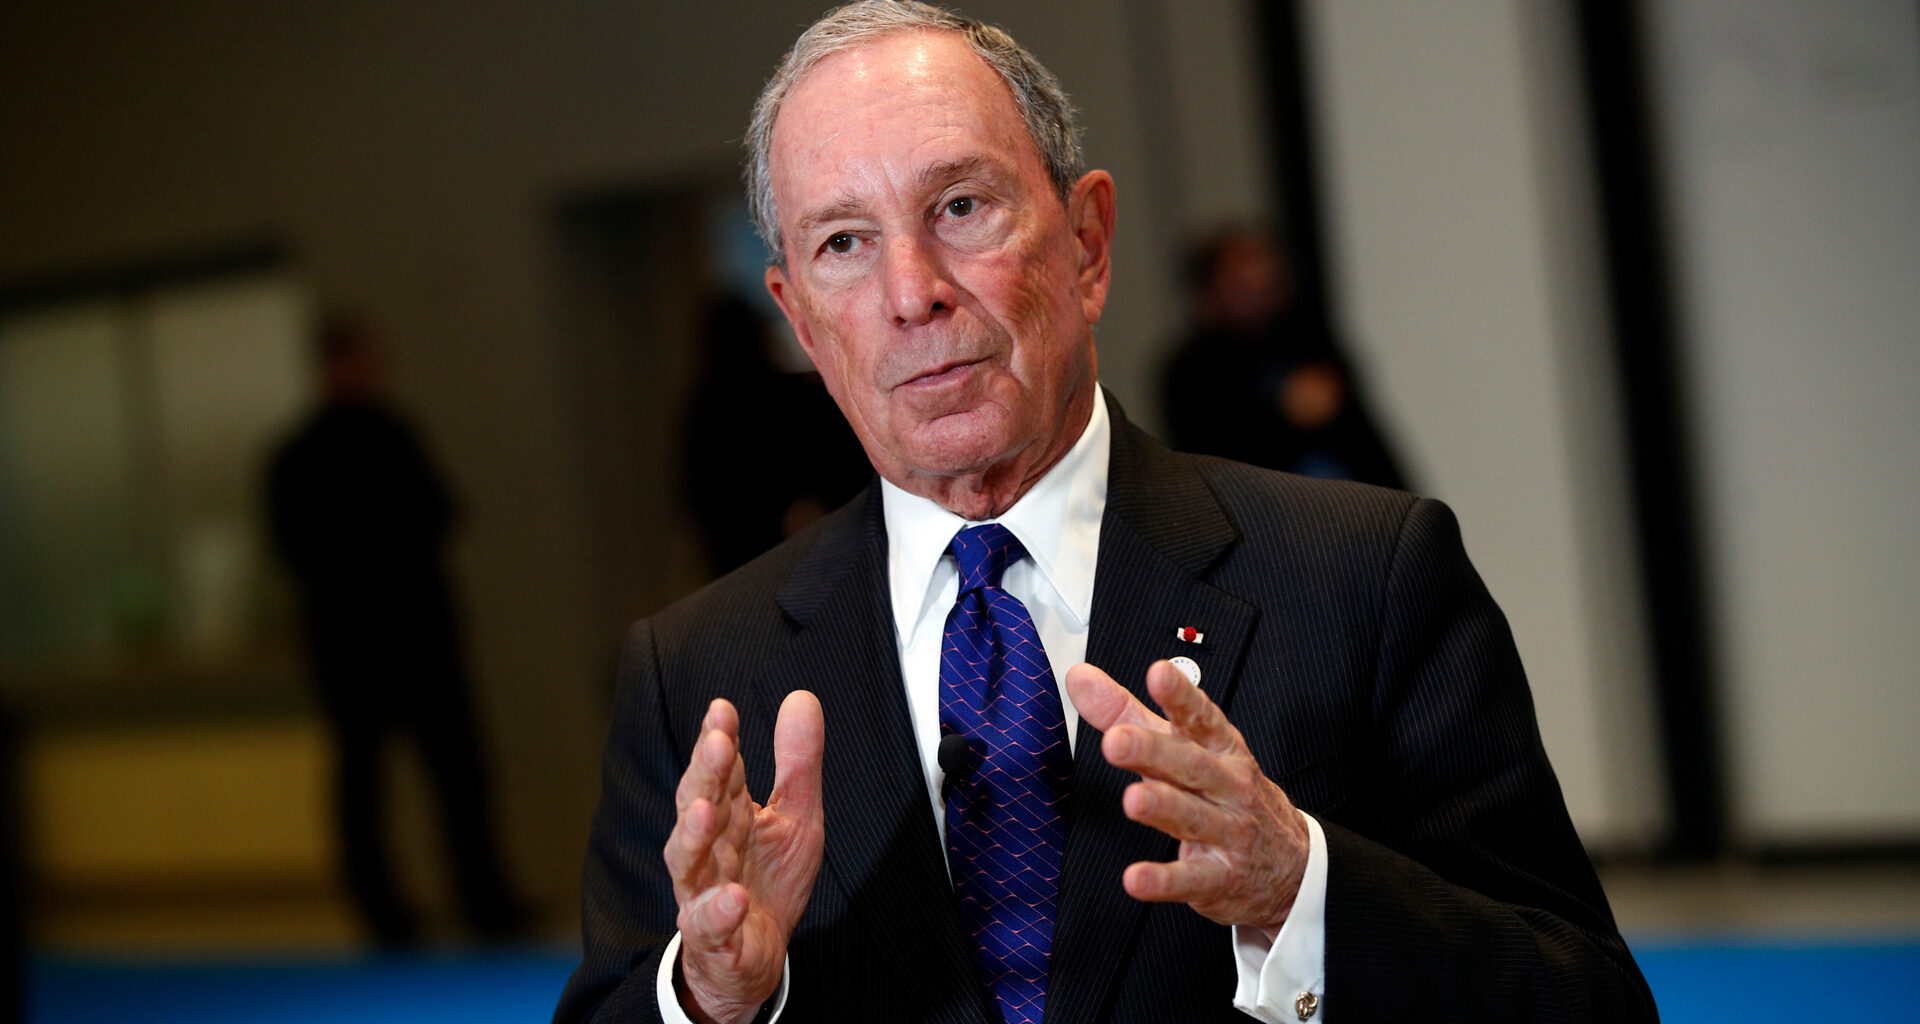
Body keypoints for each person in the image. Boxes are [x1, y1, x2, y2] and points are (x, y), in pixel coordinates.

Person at [555, 4, 1655, 1022]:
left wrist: (1303, 890)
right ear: (796, 315)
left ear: (1086, 242)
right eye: (844, 241)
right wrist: (708, 996)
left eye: (961, 207)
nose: (912, 291)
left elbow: (1588, 1003)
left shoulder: (1365, 578)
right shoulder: (695, 672)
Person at [268, 315, 528, 946]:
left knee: (415, 778)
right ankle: (443, 905)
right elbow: (436, 513)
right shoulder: (366, 440)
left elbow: (294, 546)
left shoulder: (328, 447)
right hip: (392, 638)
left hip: (374, 639)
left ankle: (430, 906)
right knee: (400, 779)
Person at [1161, 228, 1406, 489]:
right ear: (1208, 294)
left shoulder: (1311, 341)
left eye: (1270, 280)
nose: (1262, 292)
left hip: (1362, 504)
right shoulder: (1189, 371)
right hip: (1260, 515)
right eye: (1244, 285)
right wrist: (1288, 418)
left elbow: (1366, 442)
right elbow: (1213, 464)